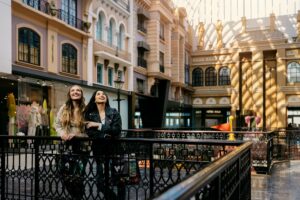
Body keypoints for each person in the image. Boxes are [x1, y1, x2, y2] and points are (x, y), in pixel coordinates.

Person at [84, 90, 124, 200]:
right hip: (99, 152)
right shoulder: (89, 114)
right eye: (98, 94)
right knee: (100, 183)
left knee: (119, 181)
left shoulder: (114, 112)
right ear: (94, 99)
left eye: (103, 94)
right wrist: (106, 134)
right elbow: (90, 132)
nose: (101, 95)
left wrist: (98, 125)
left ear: (106, 98)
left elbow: (117, 130)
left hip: (115, 150)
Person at [54, 85, 88, 200]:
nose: (75, 92)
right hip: (65, 148)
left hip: (82, 148)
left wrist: (78, 135)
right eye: (73, 90)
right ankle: (76, 196)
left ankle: (78, 197)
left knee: (78, 177)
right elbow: (57, 124)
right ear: (69, 94)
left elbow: (91, 130)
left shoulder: (87, 109)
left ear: (81, 94)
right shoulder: (64, 108)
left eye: (78, 90)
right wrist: (62, 134)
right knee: (64, 175)